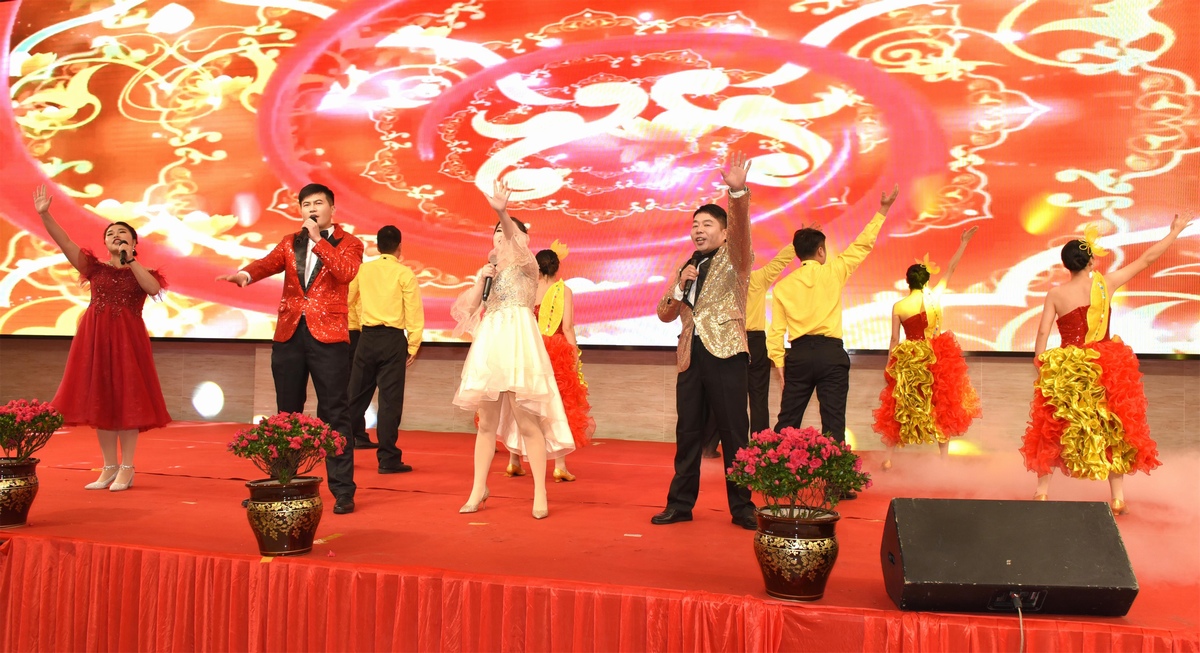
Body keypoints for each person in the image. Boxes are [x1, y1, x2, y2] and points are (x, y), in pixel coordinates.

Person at [1021, 216, 1192, 515]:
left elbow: (1043, 332)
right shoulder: (1106, 284)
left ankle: (1042, 492)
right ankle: (1117, 498)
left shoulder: (1055, 294)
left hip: (1067, 369)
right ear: (1090, 261)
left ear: (1066, 265)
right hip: (1105, 365)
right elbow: (1147, 260)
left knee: (1053, 426)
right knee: (1112, 426)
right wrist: (1174, 232)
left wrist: (1040, 365)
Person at [217, 183, 363, 514]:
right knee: (287, 414)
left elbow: (345, 273)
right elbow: (267, 263)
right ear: (300, 210)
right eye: (306, 204)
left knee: (335, 413)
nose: (312, 209)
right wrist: (244, 275)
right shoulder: (289, 242)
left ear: (332, 209)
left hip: (329, 338)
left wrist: (318, 240)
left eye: (318, 203)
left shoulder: (350, 243)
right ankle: (282, 483)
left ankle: (342, 490)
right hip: (290, 335)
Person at [33, 184, 171, 491]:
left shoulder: (142, 270)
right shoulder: (93, 268)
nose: (116, 236)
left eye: (122, 233)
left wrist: (130, 261)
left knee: (128, 400)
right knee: (102, 401)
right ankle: (109, 466)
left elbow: (152, 289)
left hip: (128, 341)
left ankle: (127, 467)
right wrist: (45, 215)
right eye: (110, 233)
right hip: (95, 338)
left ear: (134, 242)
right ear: (105, 242)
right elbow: (64, 241)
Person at [451, 181, 575, 519]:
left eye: (506, 232)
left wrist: (502, 213)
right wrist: (481, 279)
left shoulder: (527, 264)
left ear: (522, 240)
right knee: (486, 422)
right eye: (496, 232)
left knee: (528, 420)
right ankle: (478, 489)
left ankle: (540, 492)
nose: (501, 236)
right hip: (492, 341)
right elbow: (468, 309)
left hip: (519, 341)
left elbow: (513, 237)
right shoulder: (489, 271)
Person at [768, 185, 899, 499]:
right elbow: (862, 245)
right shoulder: (834, 271)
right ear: (821, 252)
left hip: (799, 355)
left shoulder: (783, 286)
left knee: (788, 420)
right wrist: (882, 209)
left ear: (798, 255)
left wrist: (780, 366)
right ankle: (835, 486)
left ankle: (777, 479)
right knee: (834, 421)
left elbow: (776, 332)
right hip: (830, 355)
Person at [650, 152, 756, 530]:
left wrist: (737, 193)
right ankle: (680, 504)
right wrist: (679, 286)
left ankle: (743, 508)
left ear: (724, 232)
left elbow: (742, 230)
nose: (698, 230)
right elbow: (664, 313)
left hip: (726, 352)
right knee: (688, 433)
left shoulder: (736, 256)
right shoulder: (688, 265)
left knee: (734, 433)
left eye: (707, 224)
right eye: (695, 225)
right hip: (690, 355)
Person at [873, 227, 980, 469]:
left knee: (899, 403)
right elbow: (951, 268)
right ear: (927, 280)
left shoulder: (899, 306)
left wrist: (889, 365)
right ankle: (944, 460)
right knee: (941, 405)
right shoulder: (935, 297)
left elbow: (894, 339)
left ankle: (888, 457)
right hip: (936, 356)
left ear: (907, 281)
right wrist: (963, 243)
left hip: (909, 358)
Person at [502, 244, 595, 481]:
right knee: (557, 408)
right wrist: (574, 355)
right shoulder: (564, 291)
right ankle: (559, 465)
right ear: (556, 267)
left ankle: (514, 461)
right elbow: (568, 327)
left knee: (521, 404)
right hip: (555, 353)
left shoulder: (528, 289)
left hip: (528, 350)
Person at [701, 241, 798, 458]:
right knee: (758, 396)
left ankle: (709, 446)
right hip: (754, 341)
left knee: (725, 396)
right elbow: (781, 261)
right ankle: (760, 448)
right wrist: (795, 243)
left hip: (730, 340)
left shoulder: (722, 282)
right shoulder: (758, 277)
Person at [347, 225, 424, 474]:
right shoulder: (405, 273)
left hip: (367, 338)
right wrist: (413, 344)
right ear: (399, 247)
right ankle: (388, 459)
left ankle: (339, 453)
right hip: (392, 341)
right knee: (390, 402)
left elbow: (347, 300)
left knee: (355, 397)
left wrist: (359, 322)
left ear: (377, 246)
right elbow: (413, 311)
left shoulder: (363, 270)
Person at [346, 298, 377, 450]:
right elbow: (357, 302)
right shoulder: (357, 280)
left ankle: (356, 434)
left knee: (353, 387)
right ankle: (349, 435)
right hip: (354, 331)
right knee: (357, 387)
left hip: (344, 329)